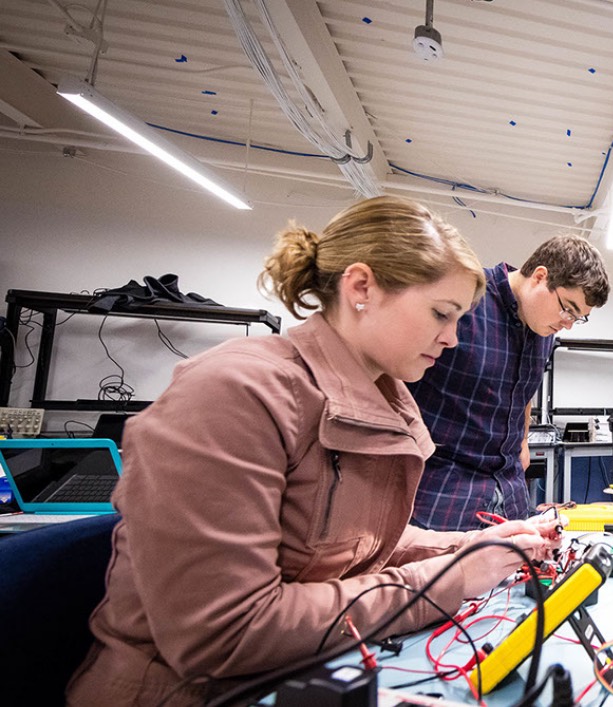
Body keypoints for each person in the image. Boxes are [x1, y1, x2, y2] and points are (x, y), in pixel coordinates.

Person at [66, 196, 561, 706]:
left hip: (293, 676)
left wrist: (472, 547)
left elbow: (350, 541)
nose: (453, 339)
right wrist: (450, 578)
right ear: (361, 288)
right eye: (441, 313)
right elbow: (227, 635)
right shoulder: (234, 393)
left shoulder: (381, 395)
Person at [408, 234, 610, 531]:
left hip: (509, 496)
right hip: (442, 497)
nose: (568, 323)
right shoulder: (467, 300)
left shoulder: (543, 328)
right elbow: (394, 380)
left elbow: (524, 389)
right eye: (568, 308)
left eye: (579, 318)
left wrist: (523, 441)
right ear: (541, 277)